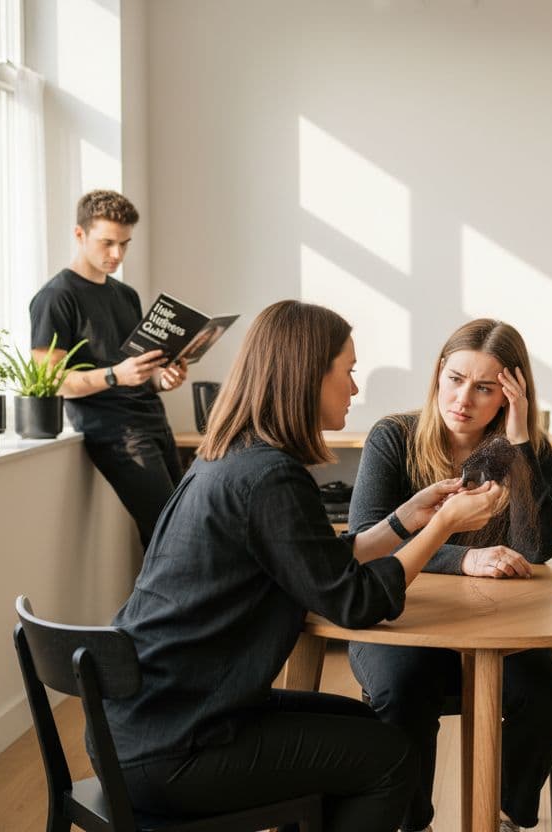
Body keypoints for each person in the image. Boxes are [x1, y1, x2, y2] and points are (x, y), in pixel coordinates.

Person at [103, 300, 505, 831]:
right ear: (308, 376)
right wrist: (443, 527)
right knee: (391, 758)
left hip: (150, 720)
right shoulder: (270, 478)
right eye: (349, 372)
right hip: (179, 745)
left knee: (368, 729)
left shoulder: (231, 457)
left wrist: (406, 518)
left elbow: (320, 564)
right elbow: (355, 602)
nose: (356, 389)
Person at [347, 318, 552, 832]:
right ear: (437, 375)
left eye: (485, 388)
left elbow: (537, 549)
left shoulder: (524, 449)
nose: (463, 399)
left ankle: (505, 818)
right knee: (403, 690)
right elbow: (365, 539)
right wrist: (463, 557)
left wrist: (519, 445)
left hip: (491, 626)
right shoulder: (394, 437)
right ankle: (413, 824)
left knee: (547, 698)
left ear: (510, 396)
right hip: (401, 618)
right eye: (454, 379)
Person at [29, 190, 189, 550]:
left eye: (125, 244)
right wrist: (115, 375)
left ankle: (168, 607)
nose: (117, 254)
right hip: (115, 432)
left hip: (153, 420)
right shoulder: (56, 297)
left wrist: (161, 378)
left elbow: (142, 371)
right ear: (79, 234)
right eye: (107, 243)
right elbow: (51, 382)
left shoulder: (126, 295)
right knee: (172, 534)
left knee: (177, 527)